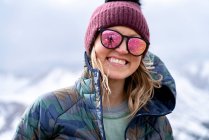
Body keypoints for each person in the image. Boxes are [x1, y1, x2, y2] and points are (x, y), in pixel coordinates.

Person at [13, 0, 176, 139]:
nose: (122, 49)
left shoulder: (157, 125)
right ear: (92, 43)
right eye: (110, 38)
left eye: (135, 43)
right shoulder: (48, 110)